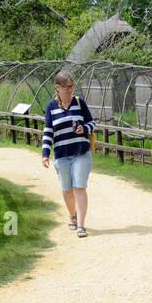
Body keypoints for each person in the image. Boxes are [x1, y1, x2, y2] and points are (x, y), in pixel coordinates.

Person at [41, 70, 96, 237]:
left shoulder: (79, 102)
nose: (70, 90)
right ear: (57, 88)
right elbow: (48, 131)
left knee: (79, 187)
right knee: (67, 190)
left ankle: (81, 225)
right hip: (61, 155)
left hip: (81, 153)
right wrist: (45, 153)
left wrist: (84, 128)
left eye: (72, 86)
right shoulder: (51, 107)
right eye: (67, 87)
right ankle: (73, 215)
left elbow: (92, 122)